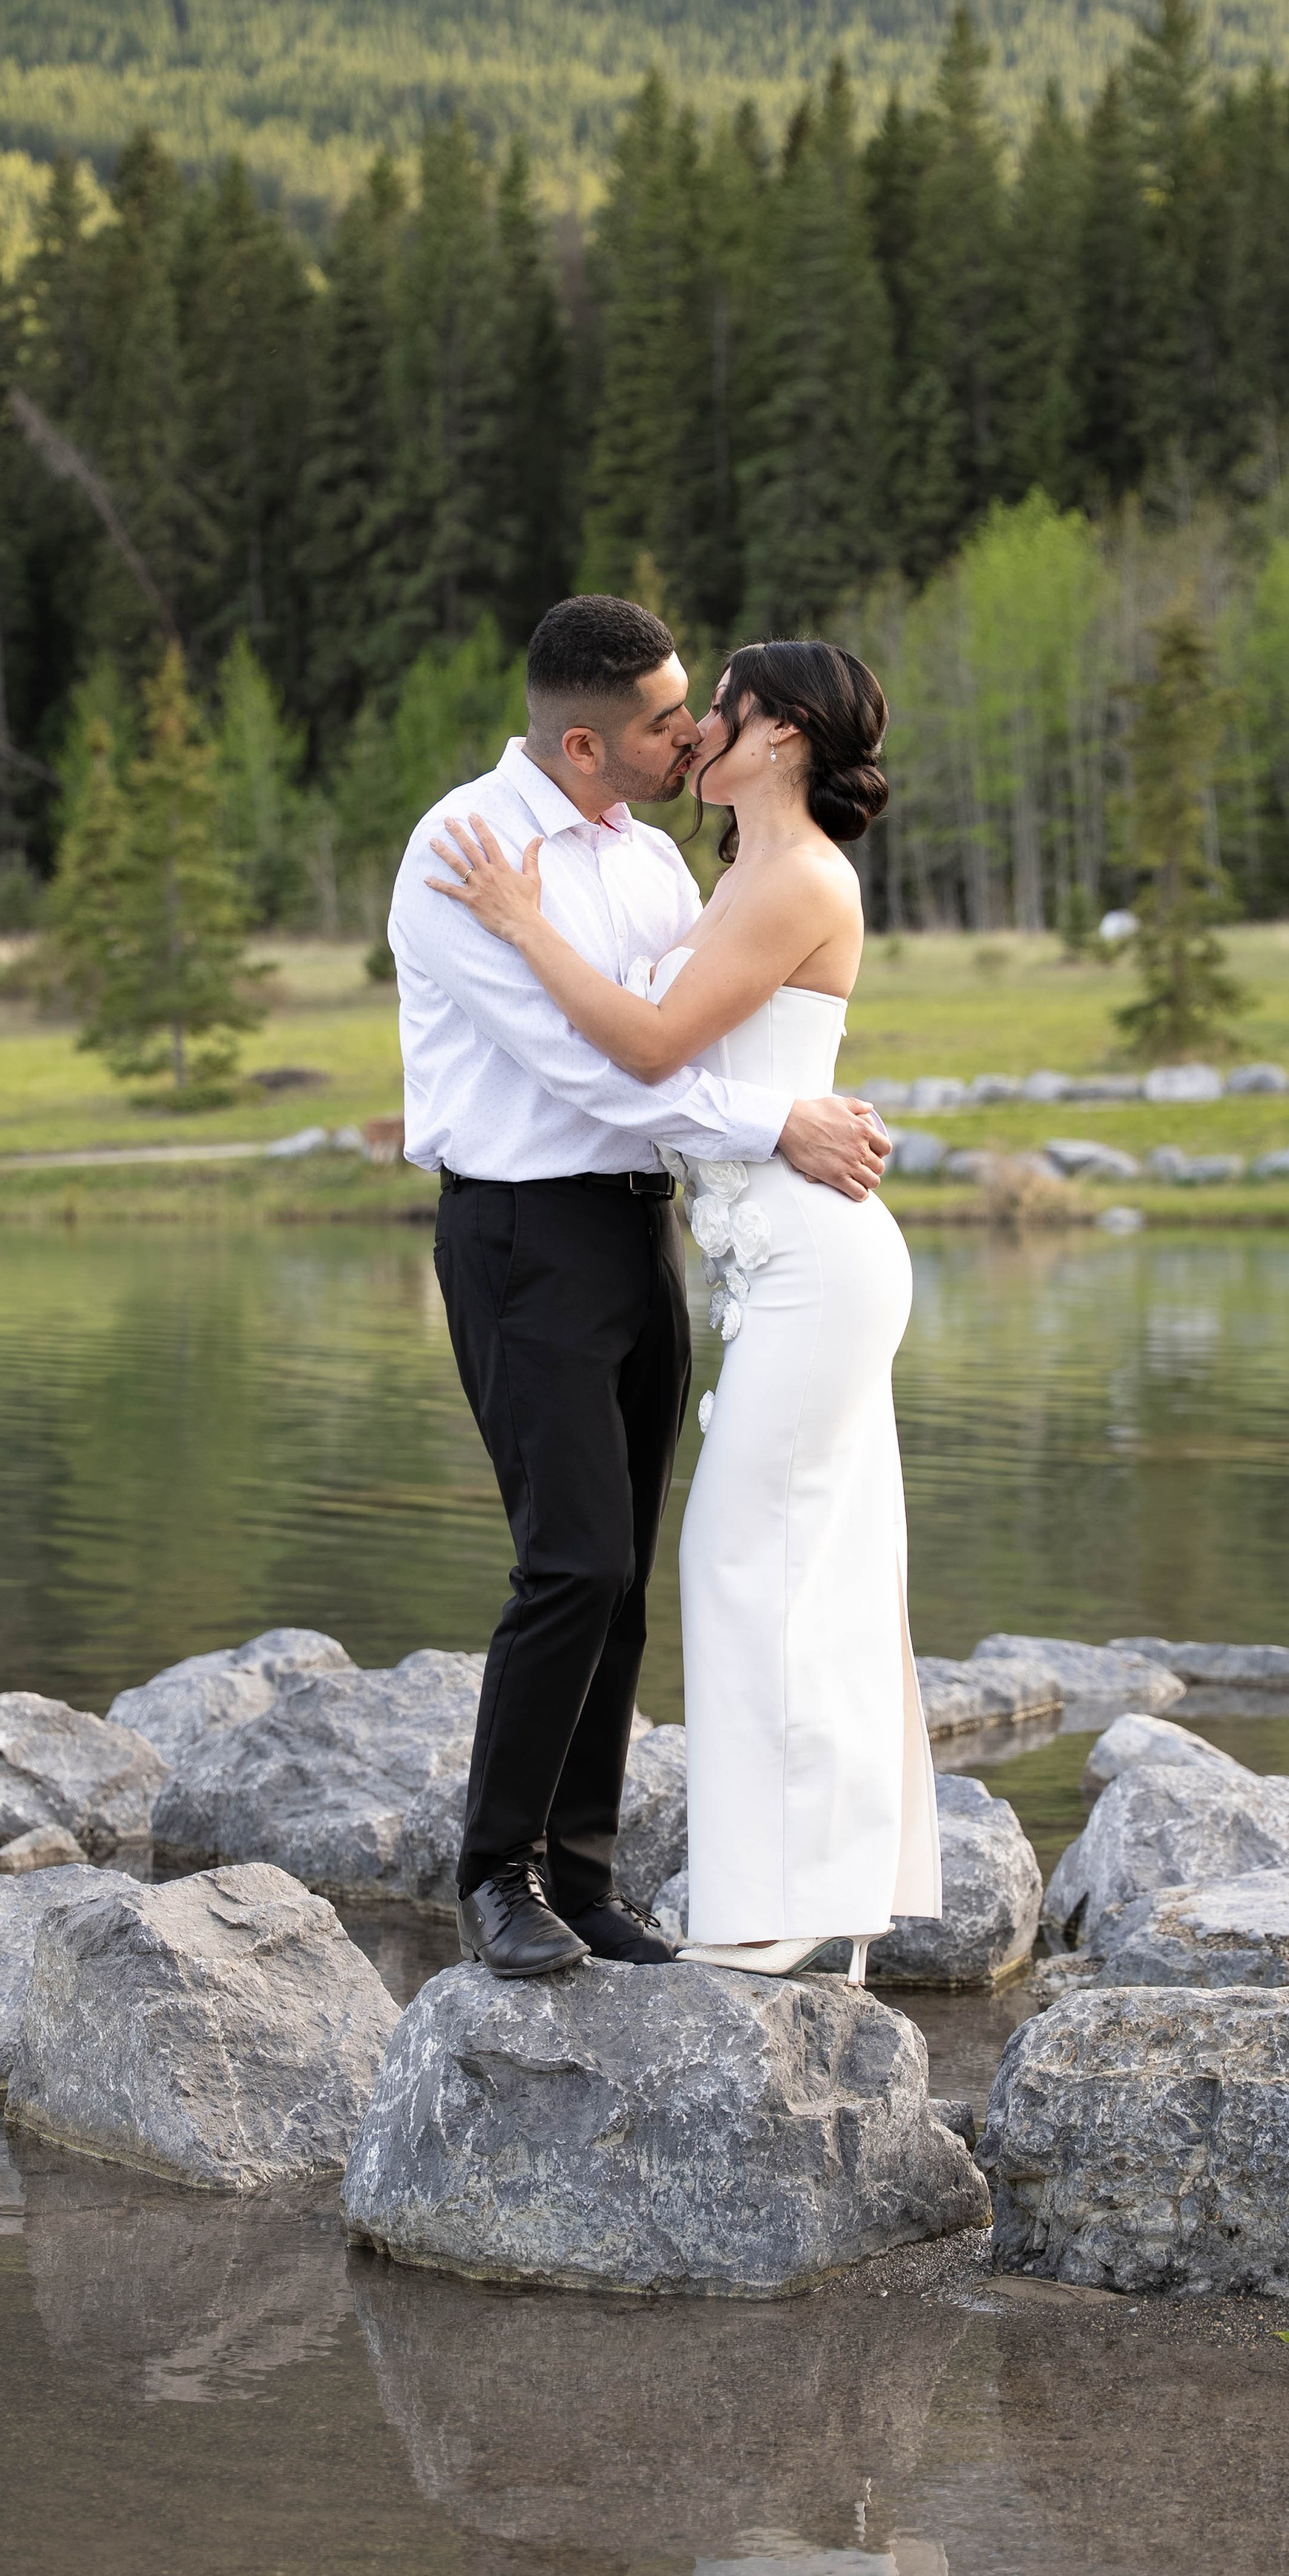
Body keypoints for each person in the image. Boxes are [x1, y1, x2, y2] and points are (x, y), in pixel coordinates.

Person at [387, 597, 893, 1982]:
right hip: (518, 1235)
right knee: (573, 1561)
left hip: (640, 1234)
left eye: (702, 709)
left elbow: (694, 1059)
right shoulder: (465, 851)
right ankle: (495, 1877)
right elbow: (585, 1068)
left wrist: (779, 1108)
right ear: (587, 742)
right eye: (670, 720)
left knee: (619, 1587)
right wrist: (778, 1127)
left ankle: (586, 1880)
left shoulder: (657, 868)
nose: (692, 736)